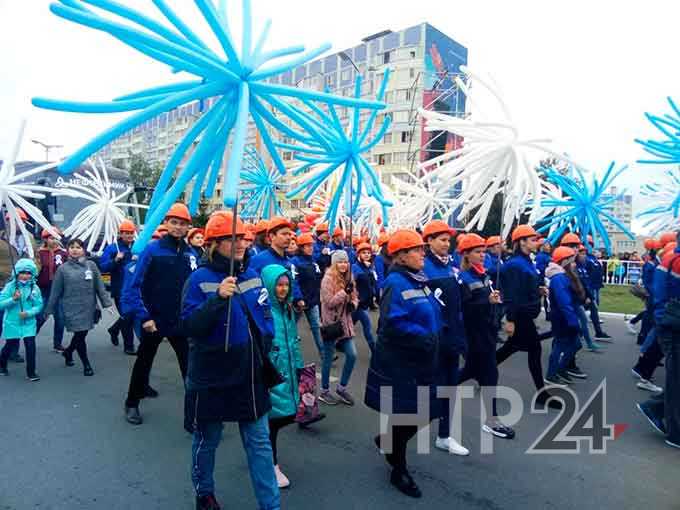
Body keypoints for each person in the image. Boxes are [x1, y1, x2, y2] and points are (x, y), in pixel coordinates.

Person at [181, 212, 280, 510]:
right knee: (207, 440)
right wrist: (217, 300)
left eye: (243, 239)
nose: (240, 244)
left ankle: (271, 506)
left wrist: (268, 339)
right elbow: (189, 327)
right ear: (214, 243)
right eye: (231, 239)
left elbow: (264, 314)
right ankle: (205, 494)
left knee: (260, 444)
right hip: (212, 373)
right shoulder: (199, 279)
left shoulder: (252, 274)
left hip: (250, 373)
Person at [365, 230, 443, 498]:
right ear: (400, 256)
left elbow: (430, 311)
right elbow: (391, 324)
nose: (423, 253)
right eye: (417, 249)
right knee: (413, 413)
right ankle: (398, 469)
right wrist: (425, 337)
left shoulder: (418, 279)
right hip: (403, 363)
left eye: (423, 248)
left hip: (421, 360)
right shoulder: (396, 282)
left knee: (426, 410)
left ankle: (388, 442)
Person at [122, 203, 196, 429]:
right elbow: (135, 287)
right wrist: (145, 317)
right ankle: (132, 402)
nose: (177, 227)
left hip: (180, 321)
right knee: (144, 361)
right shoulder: (152, 250)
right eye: (174, 222)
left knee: (190, 368)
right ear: (166, 223)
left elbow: (194, 288)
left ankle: (194, 415)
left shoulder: (191, 254)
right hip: (154, 319)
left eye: (182, 224)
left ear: (187, 228)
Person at [456, 233, 515, 438]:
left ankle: (430, 393)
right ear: (466, 255)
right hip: (475, 335)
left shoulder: (485, 275)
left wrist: (497, 307)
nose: (482, 255)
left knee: (471, 373)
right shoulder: (464, 279)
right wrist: (486, 302)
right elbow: (463, 309)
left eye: (483, 251)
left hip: (488, 332)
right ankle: (492, 421)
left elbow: (489, 301)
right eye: (477, 252)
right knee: (489, 375)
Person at [497, 225, 559, 409]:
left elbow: (525, 287)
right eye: (532, 239)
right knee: (534, 350)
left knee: (510, 349)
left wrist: (537, 289)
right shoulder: (515, 264)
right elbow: (512, 296)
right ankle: (542, 394)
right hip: (521, 315)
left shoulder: (526, 261)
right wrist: (510, 320)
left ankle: (475, 372)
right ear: (521, 242)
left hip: (525, 313)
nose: (537, 242)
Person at [421, 221, 470, 453]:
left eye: (448, 240)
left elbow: (460, 300)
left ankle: (444, 435)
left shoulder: (451, 267)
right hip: (434, 339)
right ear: (429, 241)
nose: (446, 244)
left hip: (452, 337)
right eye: (441, 239)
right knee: (426, 392)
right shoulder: (422, 268)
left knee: (449, 388)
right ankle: (393, 435)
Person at [261, 264, 304, 489]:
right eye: (278, 285)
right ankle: (270, 464)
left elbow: (293, 341)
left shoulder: (287, 308)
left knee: (283, 416)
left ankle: (262, 455)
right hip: (273, 374)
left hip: (288, 372)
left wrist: (299, 366)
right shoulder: (265, 311)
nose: (283, 289)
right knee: (273, 421)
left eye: (286, 285)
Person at [44, 238, 113, 376]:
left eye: (78, 247)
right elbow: (55, 291)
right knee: (80, 335)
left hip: (89, 307)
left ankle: (68, 352)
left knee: (82, 333)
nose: (75, 250)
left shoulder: (91, 265)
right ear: (68, 250)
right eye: (72, 247)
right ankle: (86, 364)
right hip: (71, 308)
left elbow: (100, 286)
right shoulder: (63, 269)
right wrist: (49, 309)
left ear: (83, 250)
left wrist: (107, 304)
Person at [637, 231, 680, 449]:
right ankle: (674, 432)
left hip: (668, 322)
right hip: (672, 326)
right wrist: (664, 320)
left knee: (676, 380)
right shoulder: (673, 260)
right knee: (675, 382)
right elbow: (658, 293)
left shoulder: (667, 259)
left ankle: (654, 408)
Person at [318, 250, 358, 406]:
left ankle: (341, 388)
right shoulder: (327, 279)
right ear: (334, 264)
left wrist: (352, 304)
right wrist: (344, 293)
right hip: (331, 324)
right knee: (328, 359)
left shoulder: (349, 278)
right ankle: (324, 391)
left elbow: (355, 297)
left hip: (345, 324)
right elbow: (329, 302)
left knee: (352, 355)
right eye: (340, 262)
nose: (343, 265)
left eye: (345, 262)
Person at [249, 217, 305, 312]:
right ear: (272, 236)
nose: (288, 237)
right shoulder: (258, 260)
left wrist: (298, 298)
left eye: (289, 234)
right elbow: (252, 289)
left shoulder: (289, 262)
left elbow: (293, 282)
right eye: (284, 234)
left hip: (288, 313)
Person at [544, 247, 582, 386]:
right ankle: (551, 374)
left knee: (575, 344)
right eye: (572, 261)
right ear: (564, 261)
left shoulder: (562, 276)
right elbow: (564, 302)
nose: (575, 264)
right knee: (560, 346)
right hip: (562, 318)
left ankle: (559, 369)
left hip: (565, 317)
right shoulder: (559, 278)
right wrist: (573, 322)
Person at [0, 259, 43, 381]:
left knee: (30, 345)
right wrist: (13, 299)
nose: (25, 275)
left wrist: (29, 313)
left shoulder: (35, 288)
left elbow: (39, 305)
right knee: (10, 345)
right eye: (22, 272)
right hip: (12, 322)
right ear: (17, 273)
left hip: (29, 322)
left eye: (28, 273)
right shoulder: (10, 287)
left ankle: (31, 372)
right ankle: (2, 364)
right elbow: (1, 304)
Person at [99, 220, 137, 355]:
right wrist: (115, 260)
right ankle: (129, 346)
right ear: (120, 234)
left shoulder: (137, 246)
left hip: (135, 288)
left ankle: (114, 329)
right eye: (125, 233)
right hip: (120, 288)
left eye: (131, 233)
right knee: (127, 316)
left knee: (131, 315)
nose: (128, 235)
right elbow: (102, 267)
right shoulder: (112, 248)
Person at [290, 233, 323, 358]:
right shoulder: (294, 262)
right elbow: (294, 281)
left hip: (312, 301)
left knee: (316, 328)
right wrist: (298, 298)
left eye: (311, 245)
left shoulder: (313, 261)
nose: (311, 248)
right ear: (301, 247)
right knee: (291, 329)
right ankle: (292, 353)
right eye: (307, 246)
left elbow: (318, 279)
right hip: (300, 303)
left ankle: (324, 353)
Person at [35, 228, 67, 352]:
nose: (54, 241)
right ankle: (30, 338)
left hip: (59, 289)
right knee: (40, 316)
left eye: (56, 238)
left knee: (60, 318)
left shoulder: (63, 253)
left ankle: (57, 343)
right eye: (51, 238)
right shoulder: (39, 252)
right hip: (43, 289)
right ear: (45, 239)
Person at [352, 242, 379, 354]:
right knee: (367, 328)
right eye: (364, 253)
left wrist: (374, 296)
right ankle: (375, 351)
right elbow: (353, 282)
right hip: (358, 303)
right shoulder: (355, 267)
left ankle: (337, 342)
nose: (367, 255)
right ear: (358, 255)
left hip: (365, 303)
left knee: (348, 325)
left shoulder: (370, 267)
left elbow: (373, 283)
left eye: (368, 253)